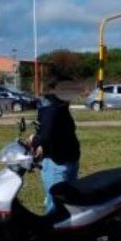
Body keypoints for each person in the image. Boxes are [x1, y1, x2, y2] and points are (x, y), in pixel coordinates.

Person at [30, 79, 80, 214]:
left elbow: (48, 134)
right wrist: (38, 141)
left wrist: (35, 140)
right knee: (64, 202)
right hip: (65, 160)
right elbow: (51, 133)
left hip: (61, 162)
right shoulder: (56, 108)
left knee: (58, 204)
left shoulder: (55, 108)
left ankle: (57, 232)